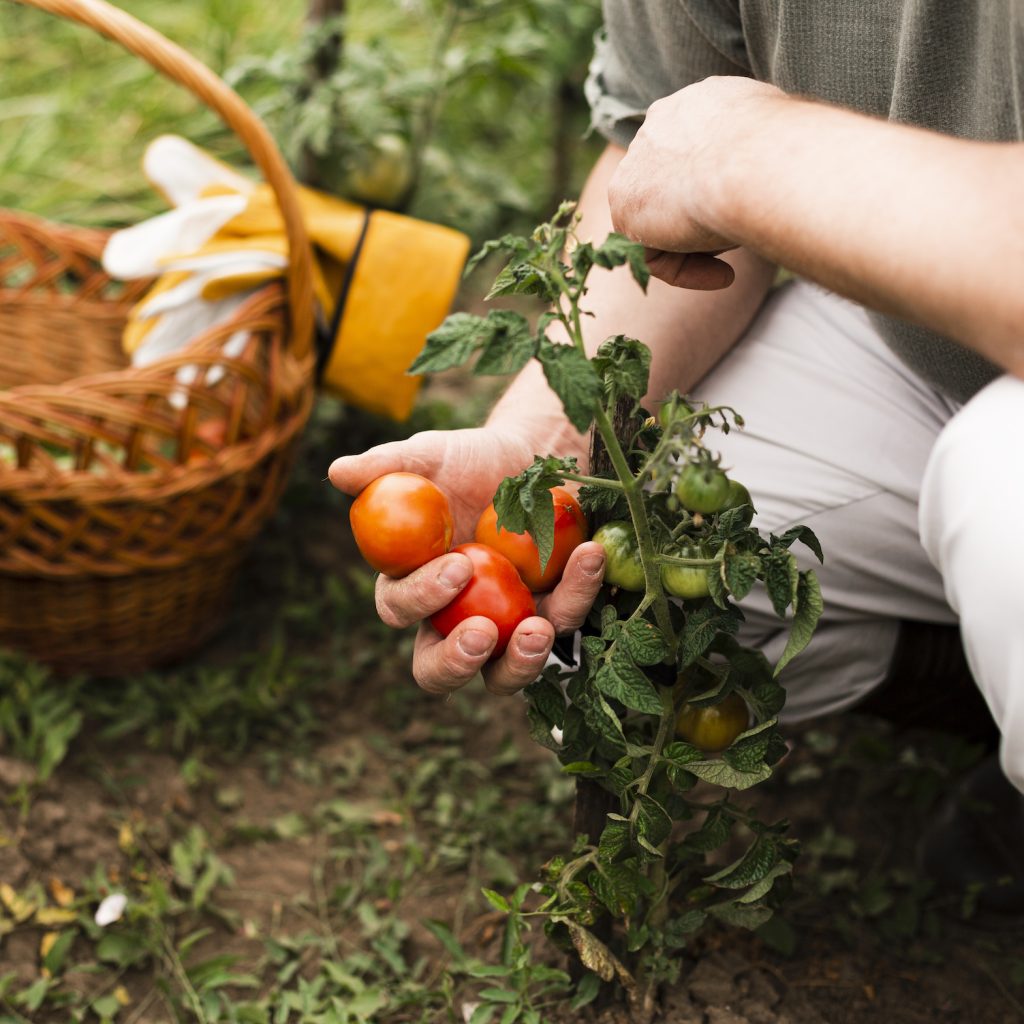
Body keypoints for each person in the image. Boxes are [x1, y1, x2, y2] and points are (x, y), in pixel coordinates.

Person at [330, 2, 1024, 897]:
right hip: (911, 330)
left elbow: (718, 152)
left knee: (999, 487)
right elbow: (667, 158)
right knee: (621, 601)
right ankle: (975, 684)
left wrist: (752, 154)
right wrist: (537, 451)